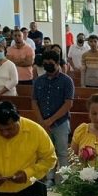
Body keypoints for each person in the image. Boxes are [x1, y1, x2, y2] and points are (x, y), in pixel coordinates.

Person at [32, 50, 75, 185]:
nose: (47, 65)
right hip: (43, 123)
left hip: (61, 122)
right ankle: (49, 179)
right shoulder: (39, 81)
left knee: (62, 152)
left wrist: (51, 120)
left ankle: (64, 180)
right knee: (47, 153)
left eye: (50, 63)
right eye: (45, 63)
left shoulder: (66, 81)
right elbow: (34, 102)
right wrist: (42, 121)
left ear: (57, 63)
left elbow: (68, 103)